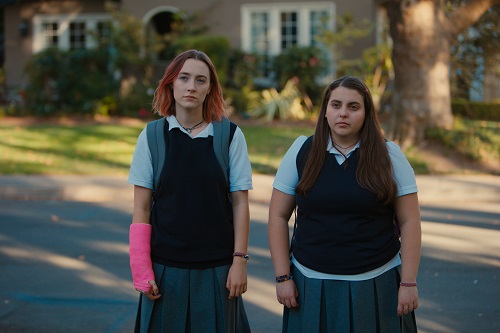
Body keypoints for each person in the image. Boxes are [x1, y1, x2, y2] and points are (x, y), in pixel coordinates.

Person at [268, 75, 421, 332]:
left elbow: (410, 221)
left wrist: (408, 283)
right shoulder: (301, 151)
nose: (343, 114)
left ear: (366, 113)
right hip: (310, 283)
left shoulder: (390, 156)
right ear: (325, 111)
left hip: (376, 282)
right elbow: (277, 216)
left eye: (353, 107)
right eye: (336, 105)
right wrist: (283, 276)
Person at [128, 49, 253, 333]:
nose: (191, 86)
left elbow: (240, 204)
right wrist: (141, 268)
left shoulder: (229, 136)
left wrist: (239, 261)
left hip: (218, 271)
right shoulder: (151, 137)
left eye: (200, 80)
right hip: (164, 271)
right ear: (171, 82)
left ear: (210, 88)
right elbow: (141, 208)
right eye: (184, 78)